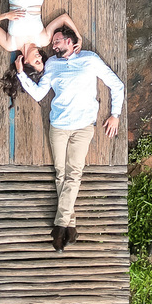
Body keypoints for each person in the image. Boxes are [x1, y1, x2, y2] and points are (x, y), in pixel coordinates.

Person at [14, 25, 124, 251]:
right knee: (61, 174)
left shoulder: (90, 59)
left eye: (57, 41)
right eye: (53, 42)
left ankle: (60, 226)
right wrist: (20, 74)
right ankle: (70, 225)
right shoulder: (52, 65)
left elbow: (116, 84)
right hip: (58, 126)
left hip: (83, 127)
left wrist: (115, 115)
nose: (53, 46)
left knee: (73, 173)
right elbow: (38, 94)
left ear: (71, 42)